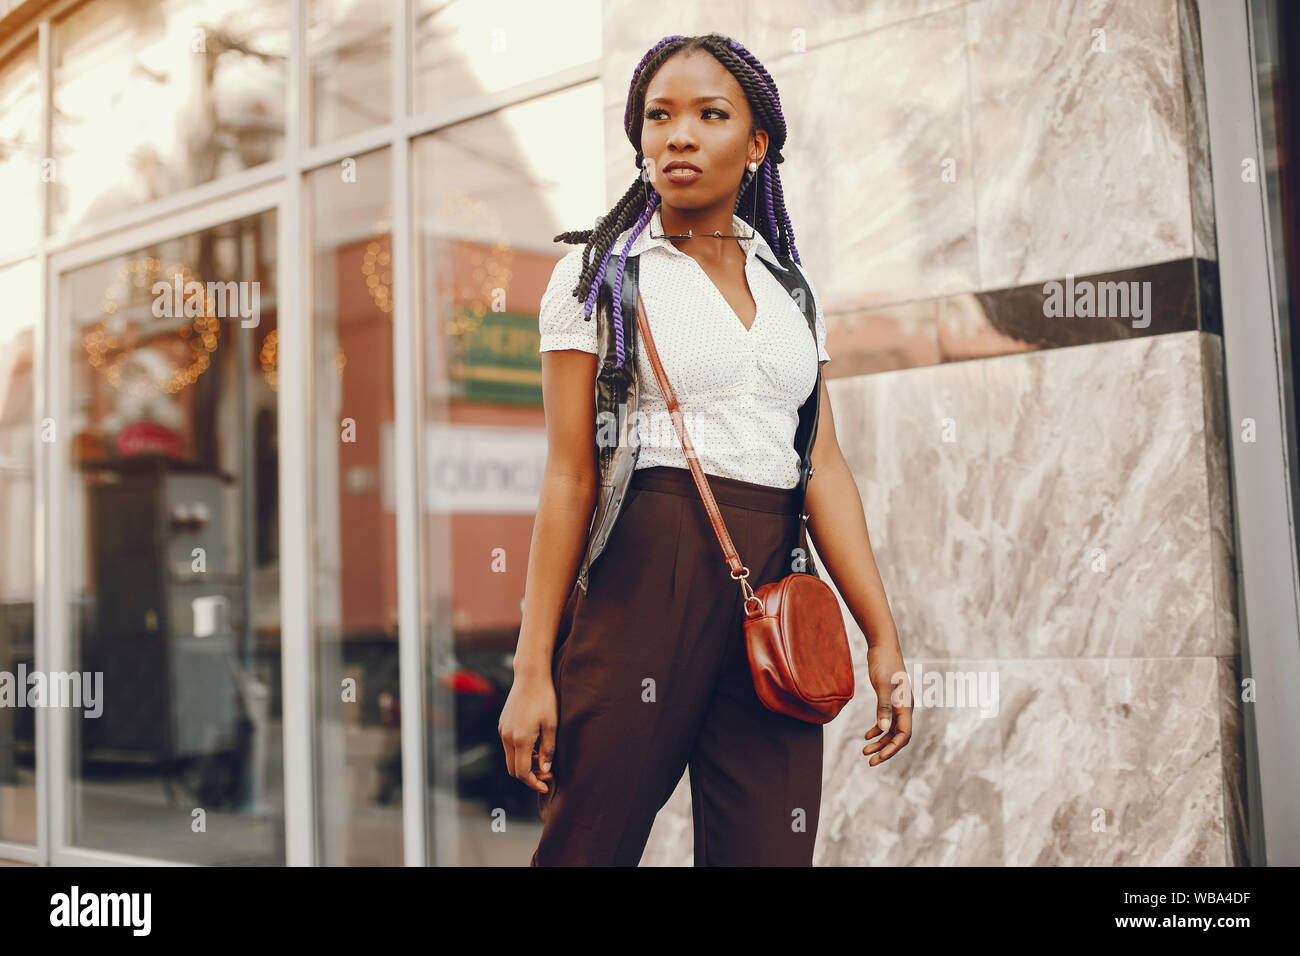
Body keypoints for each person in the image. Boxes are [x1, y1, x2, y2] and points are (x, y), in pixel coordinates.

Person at [499, 32, 911, 867]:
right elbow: (570, 475)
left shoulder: (791, 287)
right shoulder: (600, 275)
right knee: (589, 847)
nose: (678, 135)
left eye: (709, 115)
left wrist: (882, 634)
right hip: (645, 578)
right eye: (659, 116)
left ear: (757, 145)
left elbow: (823, 467)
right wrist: (531, 667)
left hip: (777, 587)